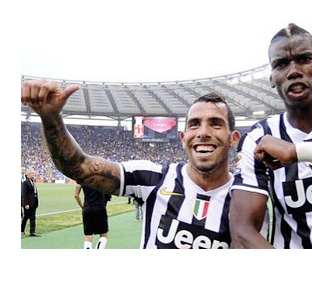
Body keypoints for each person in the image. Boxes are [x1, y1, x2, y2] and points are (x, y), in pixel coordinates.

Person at [21, 81, 248, 248]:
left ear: (234, 138)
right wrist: (51, 118)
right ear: (183, 137)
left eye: (216, 124)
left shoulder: (250, 198)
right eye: (195, 124)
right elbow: (79, 167)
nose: (203, 133)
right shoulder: (153, 178)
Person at [230, 23, 312, 249]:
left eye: (304, 59)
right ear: (272, 78)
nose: (293, 71)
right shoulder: (260, 136)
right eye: (281, 64)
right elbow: (243, 232)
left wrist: (298, 151)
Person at [74, 183, 109, 249]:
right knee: (103, 235)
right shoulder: (100, 178)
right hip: (99, 207)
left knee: (88, 236)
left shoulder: (82, 179)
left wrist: (82, 206)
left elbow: (76, 195)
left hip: (87, 208)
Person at [21, 168, 41, 237]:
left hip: (34, 203)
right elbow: (23, 194)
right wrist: (25, 204)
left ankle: (32, 231)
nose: (34, 175)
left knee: (33, 217)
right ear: (28, 174)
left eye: (34, 173)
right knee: (26, 217)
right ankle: (22, 230)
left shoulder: (33, 182)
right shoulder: (25, 183)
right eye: (32, 173)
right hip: (28, 204)